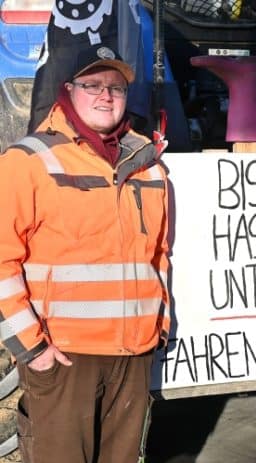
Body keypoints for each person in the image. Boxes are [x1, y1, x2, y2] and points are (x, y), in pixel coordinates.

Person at [0, 45, 170, 463]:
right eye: (92, 85)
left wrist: (159, 327)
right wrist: (32, 349)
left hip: (133, 357)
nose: (105, 96)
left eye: (116, 87)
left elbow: (160, 256)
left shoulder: (149, 166)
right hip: (63, 357)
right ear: (68, 91)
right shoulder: (28, 162)